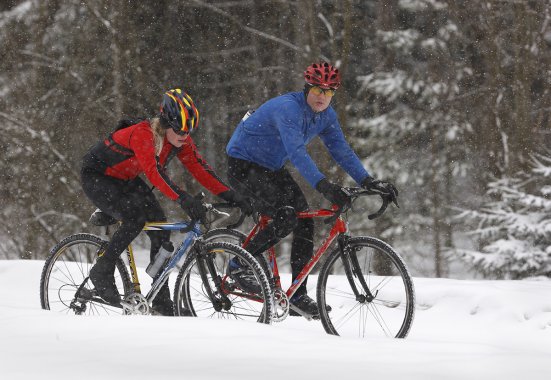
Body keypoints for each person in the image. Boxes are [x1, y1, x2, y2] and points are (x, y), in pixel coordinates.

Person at [225, 62, 398, 318]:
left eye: (329, 92)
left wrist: (368, 181)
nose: (322, 97)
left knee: (304, 219)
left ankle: (297, 295)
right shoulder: (288, 109)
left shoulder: (327, 116)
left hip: (271, 167)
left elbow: (341, 150)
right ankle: (239, 265)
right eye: (318, 89)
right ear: (307, 88)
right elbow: (297, 152)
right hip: (243, 165)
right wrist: (324, 186)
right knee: (286, 216)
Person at [81, 88, 251, 315]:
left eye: (189, 130)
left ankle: (161, 300)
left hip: (124, 179)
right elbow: (154, 174)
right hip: (97, 176)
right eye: (180, 129)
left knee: (160, 228)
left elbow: (200, 169)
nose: (185, 134)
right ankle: (102, 270)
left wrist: (231, 196)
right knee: (135, 219)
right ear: (165, 122)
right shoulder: (144, 133)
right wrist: (183, 199)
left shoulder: (179, 140)